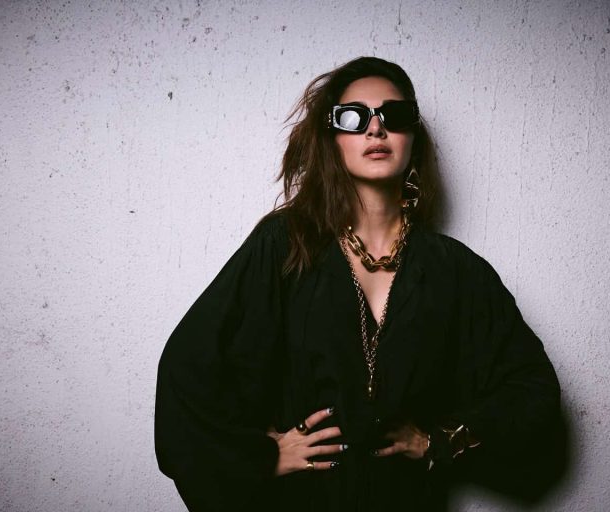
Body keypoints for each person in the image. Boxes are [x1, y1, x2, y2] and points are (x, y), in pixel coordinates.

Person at [155, 56, 561, 512]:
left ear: (413, 137)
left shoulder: (454, 270)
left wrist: (439, 441)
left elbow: (532, 390)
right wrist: (262, 456)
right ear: (332, 139)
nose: (376, 129)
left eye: (395, 115)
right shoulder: (287, 244)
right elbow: (188, 370)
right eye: (353, 117)